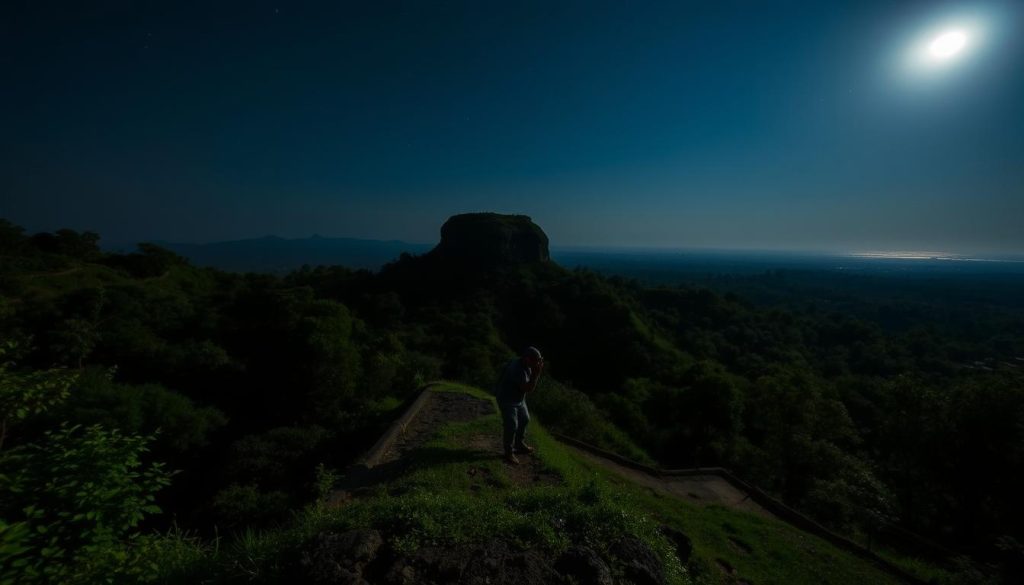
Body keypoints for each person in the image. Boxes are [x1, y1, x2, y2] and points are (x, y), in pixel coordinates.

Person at [494, 346, 544, 464]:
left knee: (525, 419)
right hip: (507, 399)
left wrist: (534, 372)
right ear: (527, 359)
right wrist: (536, 374)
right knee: (512, 425)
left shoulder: (527, 364)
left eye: (539, 360)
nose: (538, 363)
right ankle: (508, 452)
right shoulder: (517, 369)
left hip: (518, 398)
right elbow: (528, 388)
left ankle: (519, 444)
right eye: (536, 360)